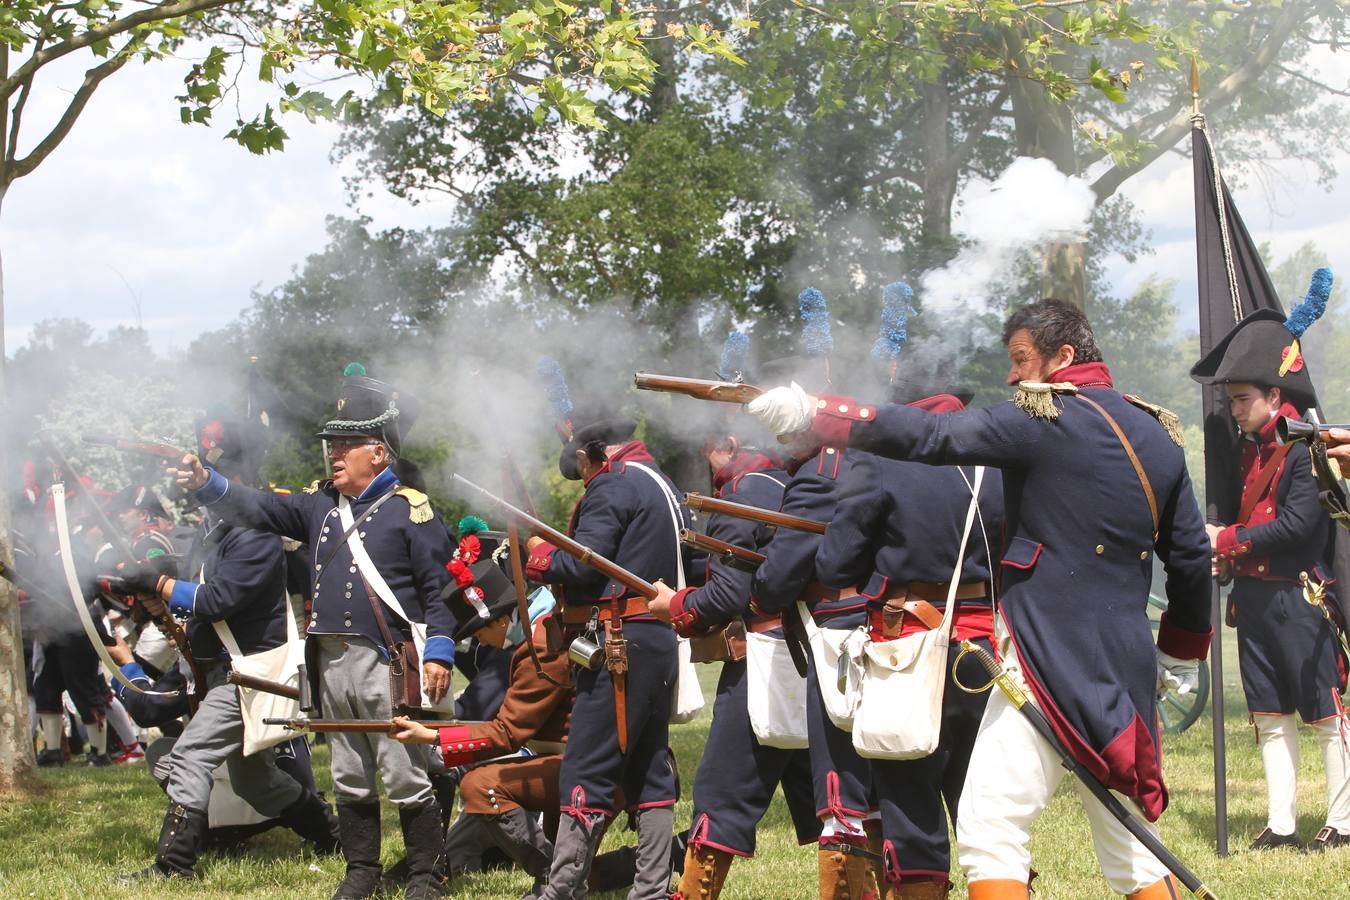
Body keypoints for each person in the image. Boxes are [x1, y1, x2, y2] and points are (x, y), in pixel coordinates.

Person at [747, 299, 1213, 899]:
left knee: (991, 829)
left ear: (1063, 357)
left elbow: (931, 432)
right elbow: (1192, 560)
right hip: (1125, 661)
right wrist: (1180, 651)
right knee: (1130, 847)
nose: (1014, 376)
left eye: (1022, 361)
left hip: (1048, 659)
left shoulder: (1045, 417)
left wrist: (817, 411)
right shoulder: (1157, 431)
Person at [168, 365, 458, 900]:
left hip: (385, 661)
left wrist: (439, 650)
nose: (333, 452)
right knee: (349, 772)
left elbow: (439, 593)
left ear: (379, 452)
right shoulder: (320, 506)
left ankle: (427, 875)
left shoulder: (409, 511)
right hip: (328, 660)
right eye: (333, 442)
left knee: (402, 772)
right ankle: (361, 872)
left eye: (347, 443)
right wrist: (208, 482)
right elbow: (259, 507)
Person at [114, 416, 340, 883]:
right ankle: (330, 834)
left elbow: (219, 599)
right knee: (253, 781)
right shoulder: (215, 532)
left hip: (249, 670)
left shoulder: (254, 535)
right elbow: (200, 596)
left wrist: (158, 582)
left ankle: (174, 865)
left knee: (189, 756)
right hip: (224, 668)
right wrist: (157, 589)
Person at [1190, 307, 1350, 851]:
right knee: (1268, 712)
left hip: (1302, 597)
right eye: (1231, 399)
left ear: (1274, 395)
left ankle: (1344, 822)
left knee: (1326, 712)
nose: (1234, 410)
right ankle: (1281, 824)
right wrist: (1228, 553)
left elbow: (1302, 524)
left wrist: (1229, 540)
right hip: (1255, 598)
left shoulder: (1306, 448)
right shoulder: (1241, 450)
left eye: (1241, 399)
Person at [649, 417, 820, 899]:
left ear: (727, 444)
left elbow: (728, 594)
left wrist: (678, 606)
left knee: (721, 794)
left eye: (711, 452)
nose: (710, 464)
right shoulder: (800, 482)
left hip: (768, 662)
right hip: (824, 661)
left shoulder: (741, 492)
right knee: (841, 802)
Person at [523, 405, 687, 900]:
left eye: (582, 468)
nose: (584, 478)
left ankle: (560, 891)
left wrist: (540, 554)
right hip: (653, 639)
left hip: (620, 641)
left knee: (585, 768)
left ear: (590, 455)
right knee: (649, 768)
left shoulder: (613, 484)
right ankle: (651, 891)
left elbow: (585, 567)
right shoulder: (661, 481)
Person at [393, 555, 572, 899]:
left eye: (478, 631)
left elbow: (507, 733)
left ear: (502, 620)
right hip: (567, 758)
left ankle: (554, 877)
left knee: (480, 785)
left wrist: (431, 735)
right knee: (589, 871)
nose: (480, 642)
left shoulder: (539, 647)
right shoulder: (537, 635)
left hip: (587, 767)